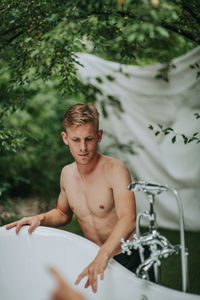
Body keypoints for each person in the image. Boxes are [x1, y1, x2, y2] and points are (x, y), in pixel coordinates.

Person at [6, 103, 149, 293]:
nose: (83, 147)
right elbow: (62, 213)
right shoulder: (67, 174)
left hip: (128, 256)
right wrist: (40, 218)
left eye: (89, 139)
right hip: (94, 255)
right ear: (65, 138)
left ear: (99, 136)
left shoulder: (115, 169)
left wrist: (102, 256)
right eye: (76, 139)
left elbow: (128, 219)